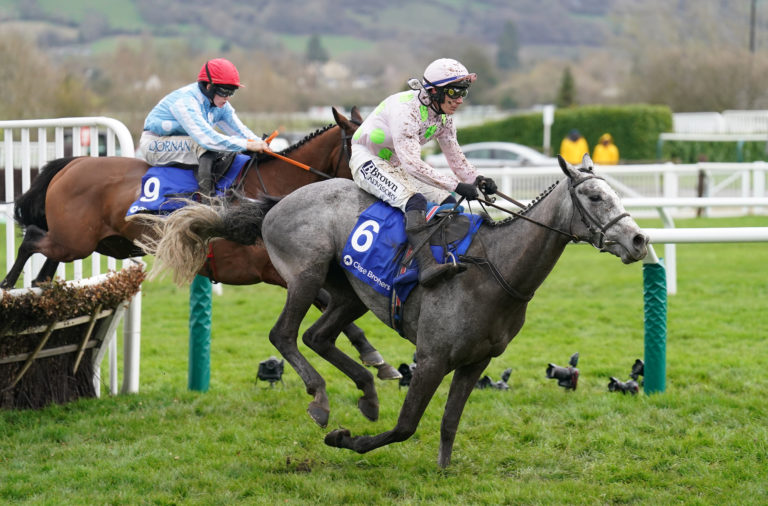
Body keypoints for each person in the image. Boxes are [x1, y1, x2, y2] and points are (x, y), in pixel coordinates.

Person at [349, 58, 497, 287]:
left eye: (464, 94)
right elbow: (412, 164)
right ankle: (425, 266)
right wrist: (457, 185)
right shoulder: (406, 110)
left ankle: (448, 257)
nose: (459, 100)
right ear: (435, 91)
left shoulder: (445, 117)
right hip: (369, 159)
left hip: (398, 165)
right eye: (455, 93)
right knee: (415, 201)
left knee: (447, 201)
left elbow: (455, 156)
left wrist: (477, 179)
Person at [137, 58, 269, 195]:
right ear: (209, 87)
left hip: (181, 142)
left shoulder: (221, 105)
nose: (228, 97)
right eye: (224, 91)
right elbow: (206, 139)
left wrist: (260, 143)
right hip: (153, 145)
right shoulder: (186, 101)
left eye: (232, 92)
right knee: (205, 146)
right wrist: (247, 145)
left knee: (229, 149)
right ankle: (207, 202)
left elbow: (240, 132)